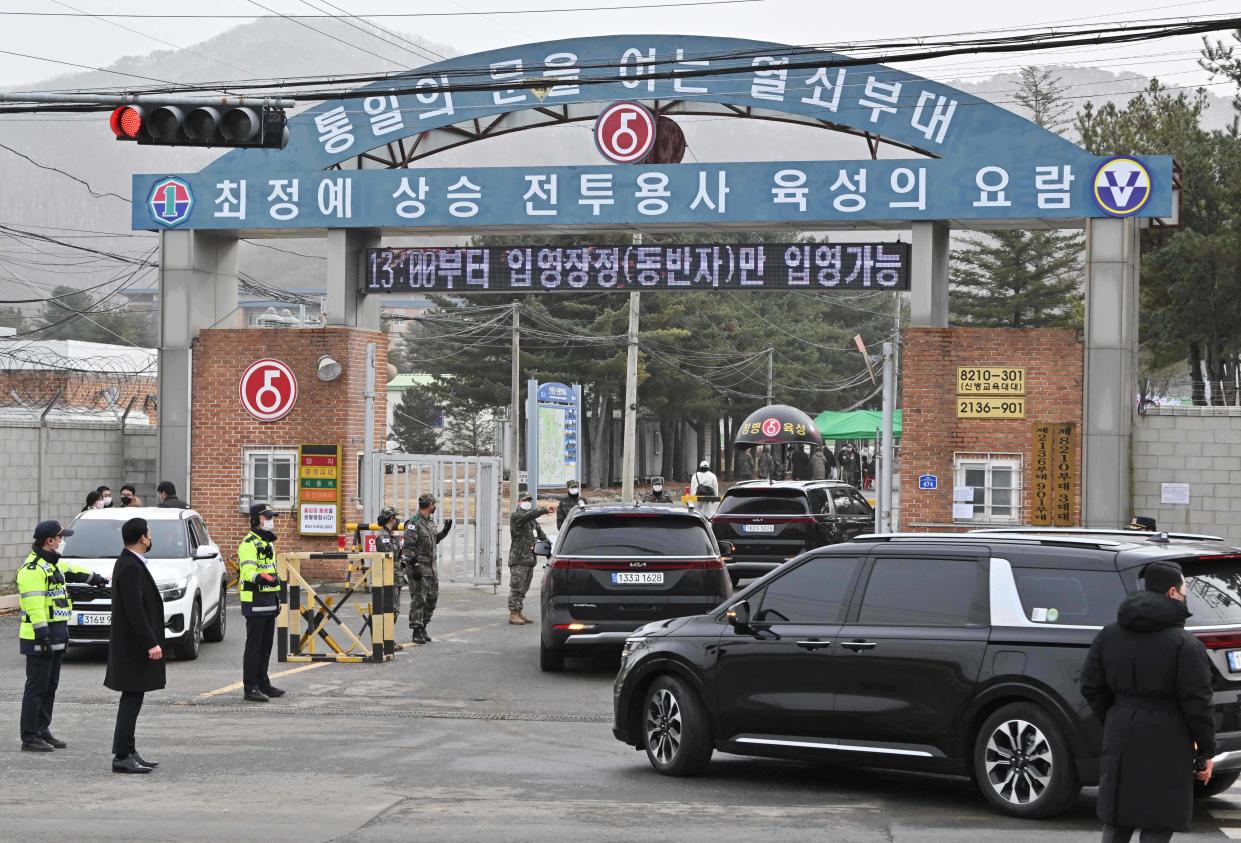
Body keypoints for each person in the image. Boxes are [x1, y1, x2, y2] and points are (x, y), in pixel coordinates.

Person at [1081, 561, 1215, 843]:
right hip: (1168, 736)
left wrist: (1117, 715)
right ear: (1171, 593)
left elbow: (1091, 685)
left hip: (1120, 730)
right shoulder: (1184, 644)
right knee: (1157, 820)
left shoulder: (1109, 634)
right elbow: (1197, 702)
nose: (1185, 595)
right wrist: (1206, 749)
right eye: (1184, 590)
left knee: (1117, 818)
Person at [17, 520, 107, 752]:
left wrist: (95, 578)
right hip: (40, 637)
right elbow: (34, 604)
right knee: (36, 688)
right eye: (59, 537)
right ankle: (29, 737)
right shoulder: (33, 569)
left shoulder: (52, 564)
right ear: (50, 541)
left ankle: (42, 729)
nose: (62, 540)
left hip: (57, 635)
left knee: (50, 687)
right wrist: (42, 634)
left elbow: (74, 571)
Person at [105, 517, 164, 774]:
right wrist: (151, 643)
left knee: (134, 698)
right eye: (149, 535)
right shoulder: (130, 566)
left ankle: (129, 750)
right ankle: (121, 755)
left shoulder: (131, 562)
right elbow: (134, 610)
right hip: (132, 648)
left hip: (132, 647)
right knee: (131, 700)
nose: (151, 539)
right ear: (142, 538)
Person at [238, 503, 283, 703]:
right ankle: (251, 687)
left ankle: (263, 682)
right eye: (267, 517)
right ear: (256, 519)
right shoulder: (249, 543)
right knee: (254, 648)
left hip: (268, 601)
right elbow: (248, 572)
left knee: (266, 647)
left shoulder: (268, 544)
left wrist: (276, 599)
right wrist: (263, 578)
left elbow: (272, 570)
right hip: (254, 601)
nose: (270, 520)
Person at [402, 494, 452, 644]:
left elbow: (434, 540)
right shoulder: (413, 523)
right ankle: (416, 630)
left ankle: (424, 626)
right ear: (429, 504)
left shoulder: (429, 522)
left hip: (431, 569)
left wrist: (444, 532)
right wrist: (414, 565)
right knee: (419, 600)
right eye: (433, 504)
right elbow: (408, 548)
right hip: (419, 569)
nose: (434, 506)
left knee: (431, 599)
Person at [508, 494, 548, 625]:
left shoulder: (532, 521)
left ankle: (519, 611)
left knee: (524, 588)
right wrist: (542, 510)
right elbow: (527, 516)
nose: (528, 503)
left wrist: (550, 546)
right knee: (517, 587)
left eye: (529, 501)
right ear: (519, 502)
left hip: (530, 559)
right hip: (519, 559)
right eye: (525, 501)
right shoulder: (517, 517)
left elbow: (541, 535)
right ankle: (513, 613)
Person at [374, 507, 403, 615]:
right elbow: (391, 553)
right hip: (388, 578)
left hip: (395, 577)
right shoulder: (384, 536)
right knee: (389, 609)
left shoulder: (390, 534)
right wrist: (396, 538)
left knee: (395, 609)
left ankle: (387, 631)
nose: (397, 521)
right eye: (395, 518)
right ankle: (382, 632)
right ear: (391, 518)